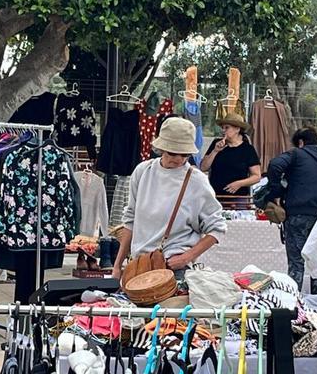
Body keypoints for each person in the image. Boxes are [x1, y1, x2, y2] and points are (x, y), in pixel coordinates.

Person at [112, 117, 226, 280]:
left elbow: (217, 228)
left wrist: (186, 257)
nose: (179, 158)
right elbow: (130, 220)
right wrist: (117, 265)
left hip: (173, 268)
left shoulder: (197, 181)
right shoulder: (143, 171)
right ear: (161, 148)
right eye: (172, 152)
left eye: (184, 154)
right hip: (139, 265)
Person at [264, 126, 317, 294]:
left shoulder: (297, 154)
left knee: (296, 262)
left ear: (300, 142)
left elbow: (275, 165)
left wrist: (276, 192)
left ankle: (293, 299)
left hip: (298, 213)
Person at [202, 111, 262, 196]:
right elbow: (203, 168)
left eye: (227, 128)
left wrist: (239, 184)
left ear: (237, 129)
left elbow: (256, 176)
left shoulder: (247, 149)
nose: (223, 131)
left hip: (238, 197)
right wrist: (215, 151)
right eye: (222, 128)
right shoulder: (216, 143)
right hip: (215, 195)